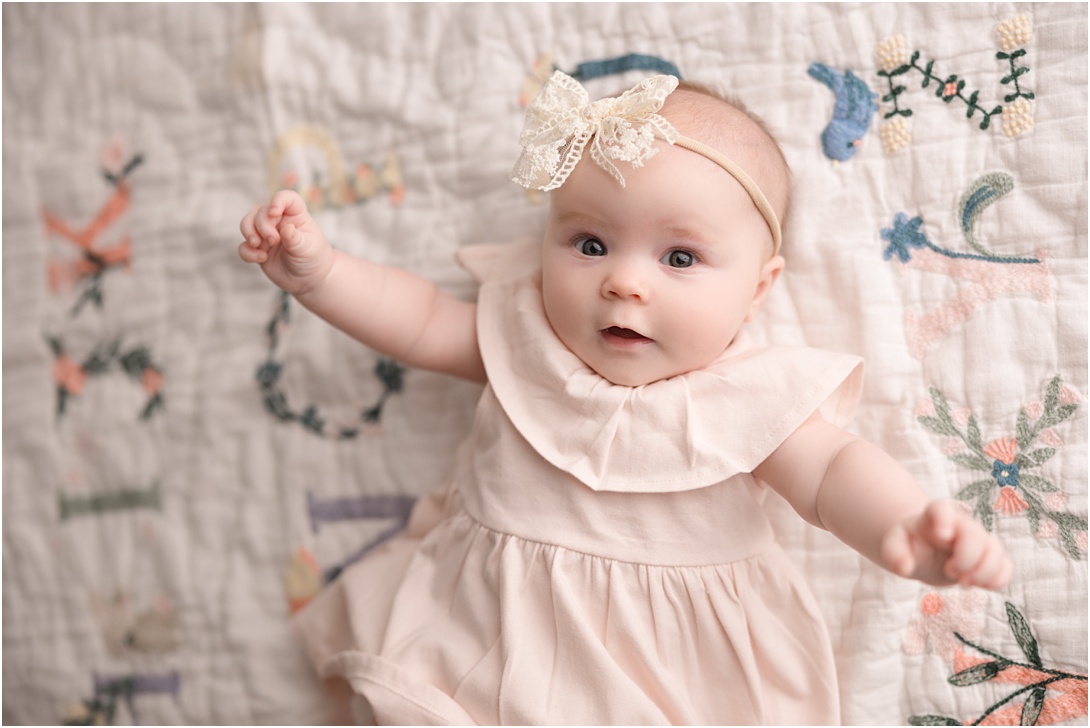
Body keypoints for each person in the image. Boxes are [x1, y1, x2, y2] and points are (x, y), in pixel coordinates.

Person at [239, 71, 1011, 725]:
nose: (624, 280)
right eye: (589, 243)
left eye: (680, 257)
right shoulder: (525, 340)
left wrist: (904, 528)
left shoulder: (748, 396)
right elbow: (419, 321)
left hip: (666, 681)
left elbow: (832, 471)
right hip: (474, 639)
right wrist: (323, 276)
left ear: (758, 289)